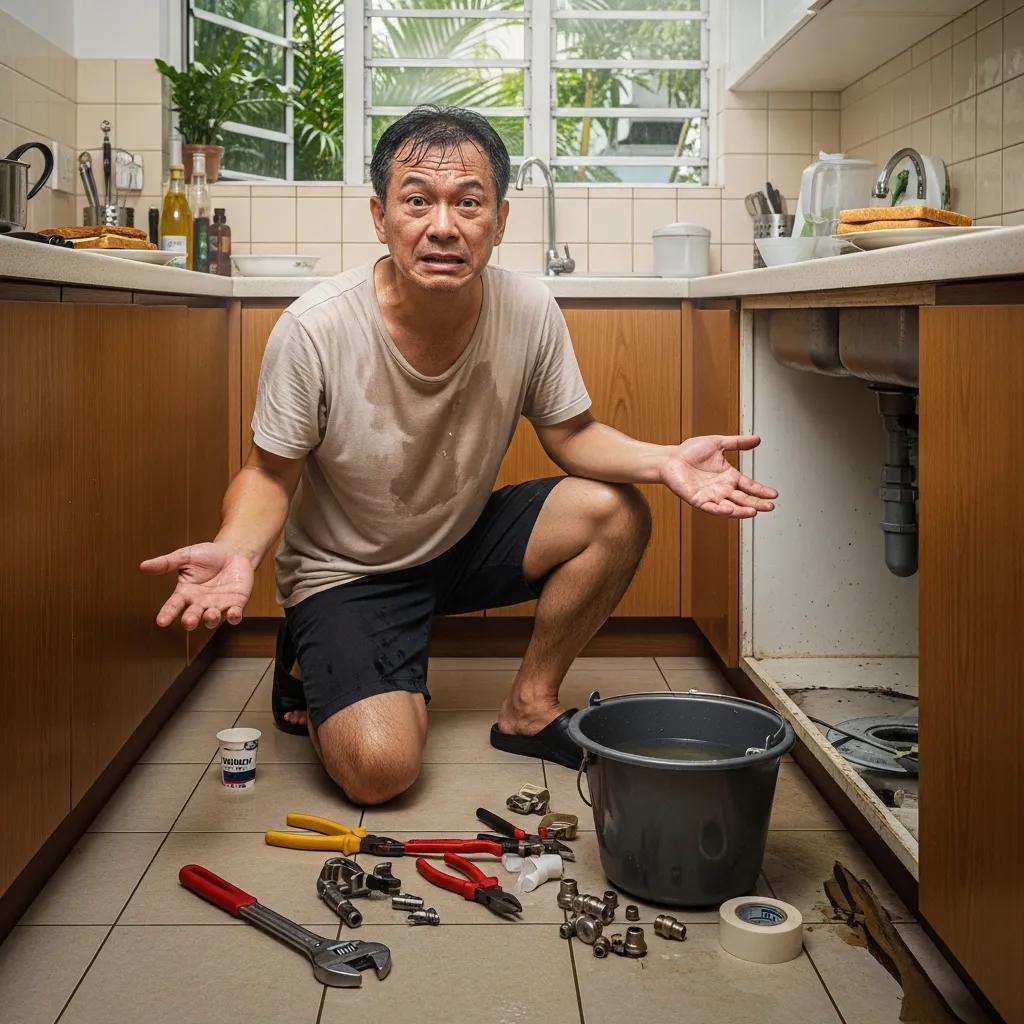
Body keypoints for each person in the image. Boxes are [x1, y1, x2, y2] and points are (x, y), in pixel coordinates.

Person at [142, 105, 777, 806]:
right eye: (417, 201)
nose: (443, 225)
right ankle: (311, 655)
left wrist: (663, 461)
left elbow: (572, 435)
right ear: (381, 218)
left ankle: (530, 709)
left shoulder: (529, 309)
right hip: (351, 571)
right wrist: (239, 550)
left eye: (467, 203)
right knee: (381, 775)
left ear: (498, 221)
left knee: (613, 510)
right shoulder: (315, 328)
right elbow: (271, 472)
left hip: (460, 538)